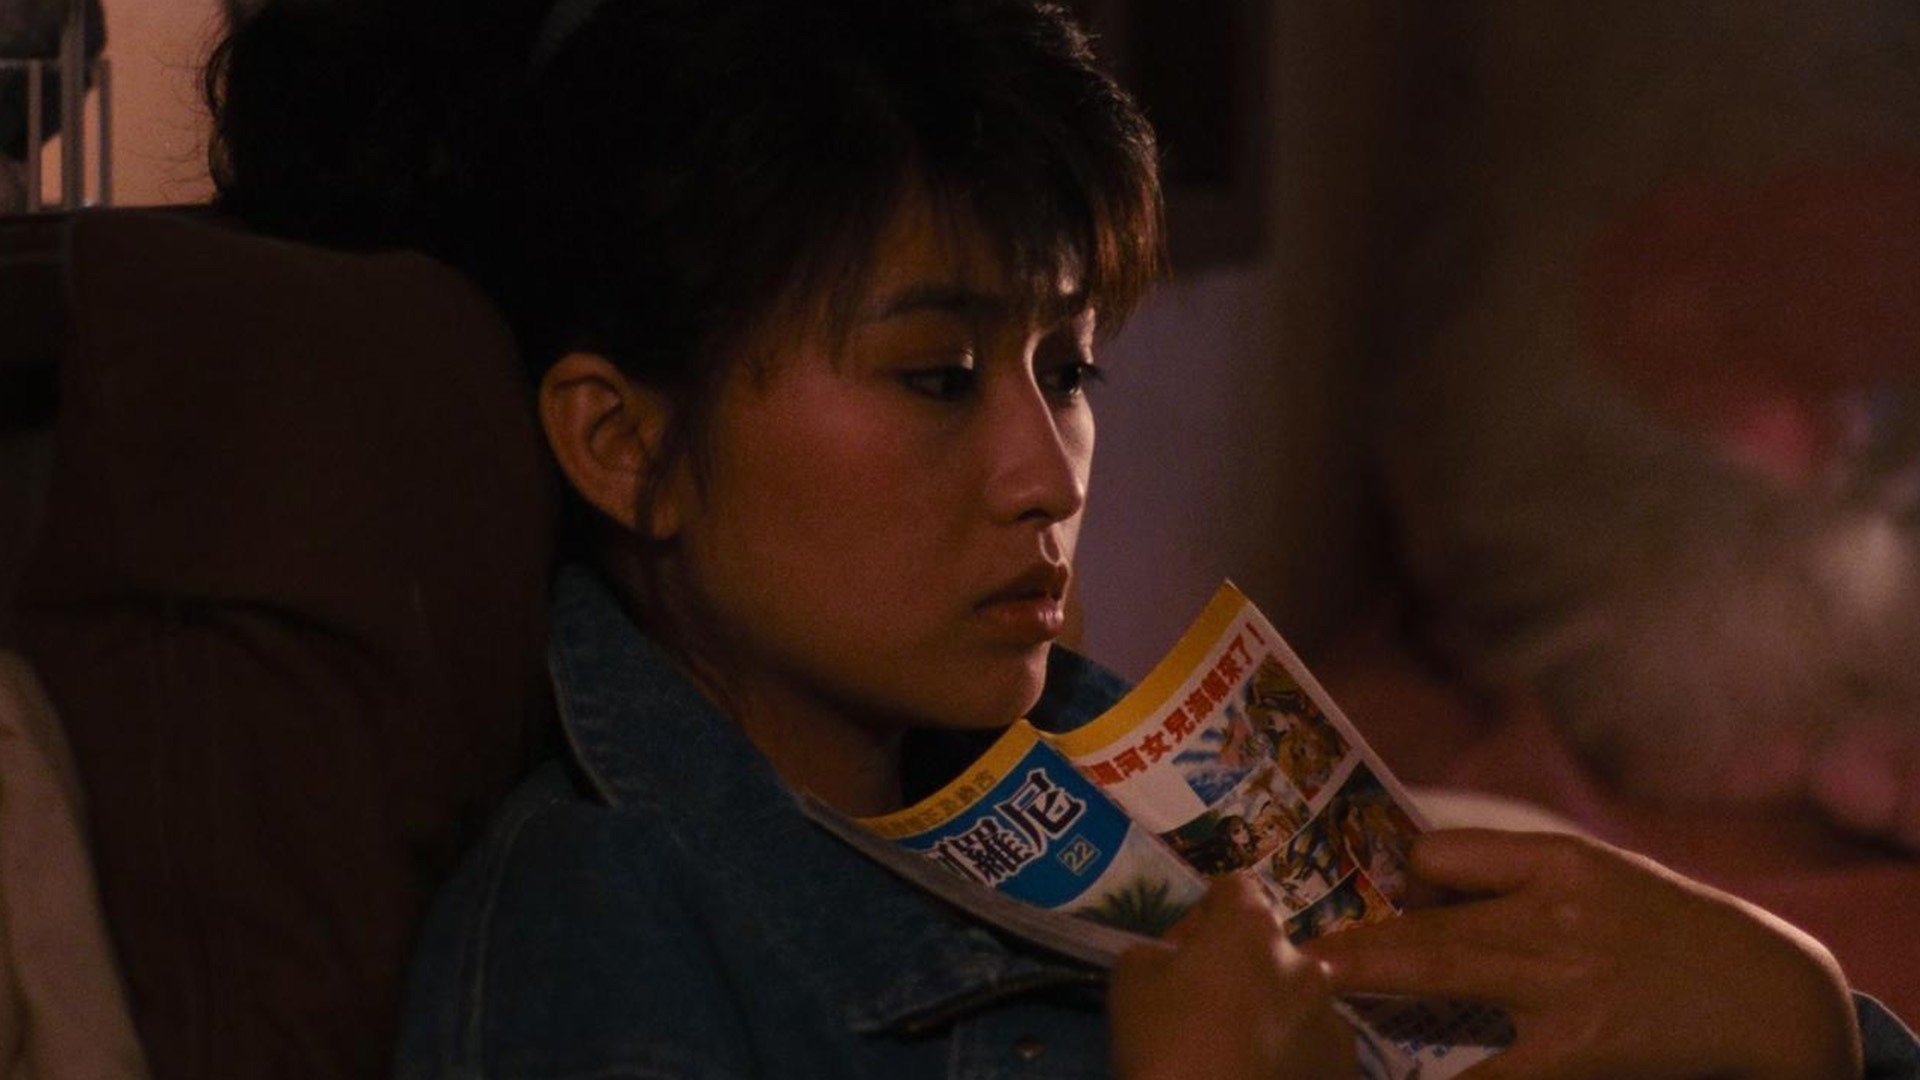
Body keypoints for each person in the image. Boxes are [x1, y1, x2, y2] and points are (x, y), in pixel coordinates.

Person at [203, 0, 1920, 1076]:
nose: (1049, 472)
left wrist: (1799, 1018)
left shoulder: (1150, 800)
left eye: (1070, 369)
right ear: (625, 443)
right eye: (937, 376)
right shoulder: (610, 927)